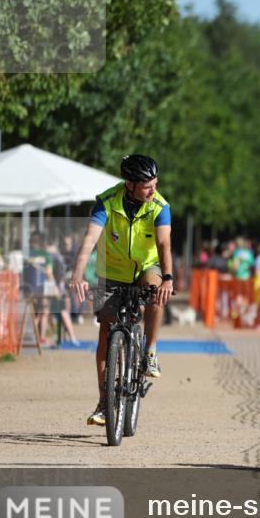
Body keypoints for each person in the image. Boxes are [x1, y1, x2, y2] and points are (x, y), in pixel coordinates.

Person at [69, 154, 174, 427]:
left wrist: (168, 278)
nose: (153, 191)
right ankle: (105, 402)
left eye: (155, 184)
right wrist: (77, 274)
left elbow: (164, 244)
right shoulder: (106, 202)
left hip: (147, 266)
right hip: (112, 272)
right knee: (106, 332)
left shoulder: (160, 206)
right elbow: (90, 239)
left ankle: (150, 351)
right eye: (147, 186)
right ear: (130, 184)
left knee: (156, 291)